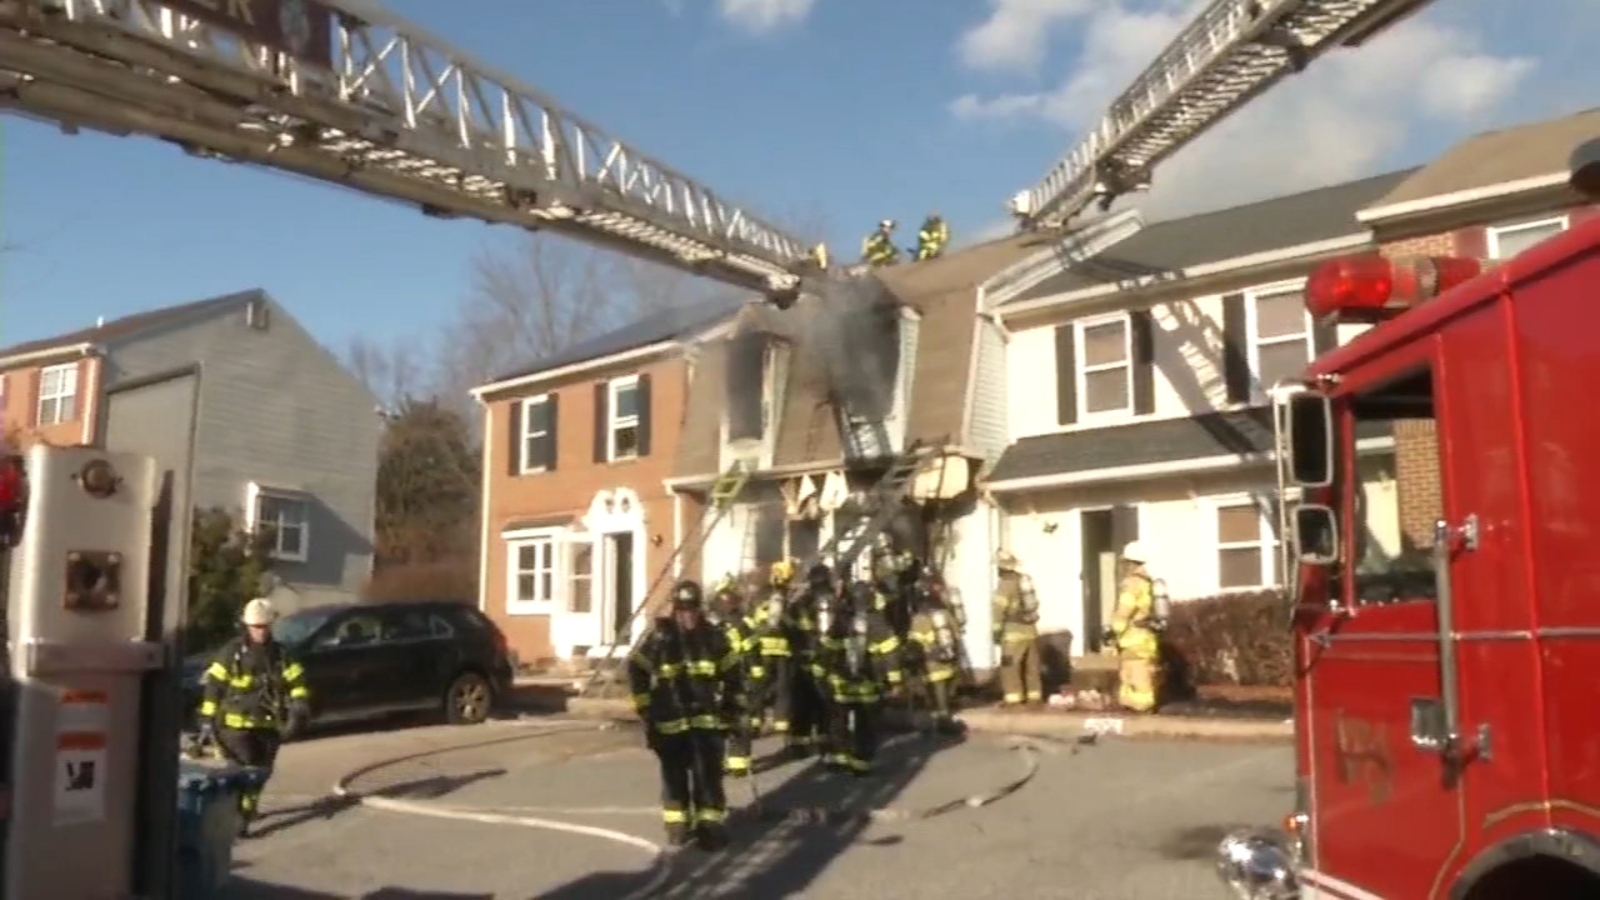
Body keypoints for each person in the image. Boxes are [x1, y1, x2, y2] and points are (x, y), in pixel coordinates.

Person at [627, 580, 743, 849]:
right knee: (674, 776)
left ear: (699, 609)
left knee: (708, 777)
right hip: (669, 722)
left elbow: (734, 674)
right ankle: (677, 824)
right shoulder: (660, 638)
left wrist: (732, 707)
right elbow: (636, 668)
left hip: (707, 721)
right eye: (682, 610)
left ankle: (709, 826)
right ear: (675, 610)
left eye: (691, 610)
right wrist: (645, 706)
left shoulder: (714, 637)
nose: (687, 616)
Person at [196, 597, 310, 837]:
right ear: (247, 626)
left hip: (268, 727)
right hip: (234, 728)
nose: (260, 631)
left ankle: (247, 810)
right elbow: (214, 685)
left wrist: (299, 706)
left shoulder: (281, 655)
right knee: (243, 773)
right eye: (255, 627)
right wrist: (207, 718)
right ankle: (240, 819)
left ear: (271, 626)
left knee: (261, 774)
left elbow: (297, 682)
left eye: (264, 626)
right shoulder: (232, 652)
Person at [815, 581, 903, 775]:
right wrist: (895, 682)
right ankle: (861, 764)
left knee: (838, 722)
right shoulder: (878, 622)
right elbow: (891, 655)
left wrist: (820, 675)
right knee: (866, 725)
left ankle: (839, 758)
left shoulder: (841, 620)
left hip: (841, 685)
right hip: (867, 686)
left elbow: (826, 650)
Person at [784, 563, 833, 758]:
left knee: (801, 704)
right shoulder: (829, 601)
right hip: (821, 660)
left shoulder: (800, 603)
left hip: (800, 660)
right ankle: (823, 742)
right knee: (823, 704)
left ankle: (799, 744)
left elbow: (787, 626)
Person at [1106, 541, 1162, 713]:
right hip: (1145, 637)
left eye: (1125, 563)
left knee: (1137, 674)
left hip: (1134, 638)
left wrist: (1113, 630)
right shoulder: (1147, 582)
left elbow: (1125, 610)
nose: (1124, 566)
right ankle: (1132, 705)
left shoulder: (1132, 583)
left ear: (1131, 562)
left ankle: (1143, 708)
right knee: (1131, 673)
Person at [907, 565, 963, 732]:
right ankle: (945, 716)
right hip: (949, 662)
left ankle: (942, 721)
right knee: (946, 693)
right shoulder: (945, 614)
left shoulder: (918, 619)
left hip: (931, 665)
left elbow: (914, 645)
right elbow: (957, 635)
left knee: (936, 697)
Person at [711, 576, 758, 778]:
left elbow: (751, 649)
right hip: (731, 677)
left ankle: (734, 762)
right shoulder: (728, 625)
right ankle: (733, 762)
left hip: (733, 678)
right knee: (730, 721)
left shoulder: (733, 624)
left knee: (732, 720)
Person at [745, 560, 796, 736]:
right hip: (775, 650)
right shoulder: (782, 598)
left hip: (766, 649)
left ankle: (758, 722)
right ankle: (776, 723)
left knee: (762, 687)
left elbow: (750, 619)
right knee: (777, 687)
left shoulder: (761, 595)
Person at [991, 551, 1043, 707]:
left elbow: (998, 609)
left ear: (1001, 568)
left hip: (1012, 634)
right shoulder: (1023, 580)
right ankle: (1035, 697)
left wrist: (996, 631)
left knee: (1009, 667)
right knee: (1031, 667)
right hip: (1030, 631)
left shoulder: (1004, 585)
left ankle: (1013, 700)